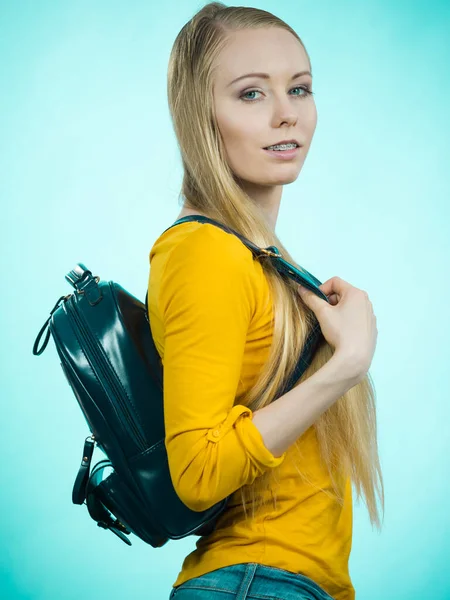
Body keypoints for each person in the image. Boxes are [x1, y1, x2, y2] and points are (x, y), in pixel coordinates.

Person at [147, 3, 384, 599]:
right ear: (203, 116)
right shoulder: (204, 252)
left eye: (299, 89)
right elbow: (198, 474)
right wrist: (346, 366)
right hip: (256, 584)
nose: (287, 115)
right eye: (251, 94)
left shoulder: (255, 258)